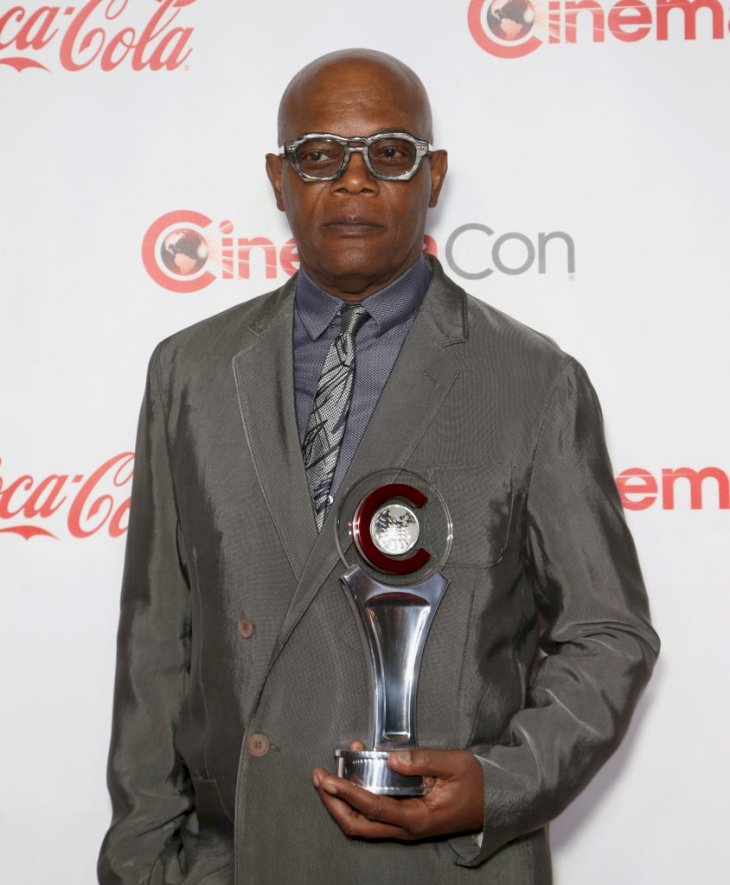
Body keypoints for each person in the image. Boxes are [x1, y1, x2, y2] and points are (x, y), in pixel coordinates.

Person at [99, 49, 659, 885]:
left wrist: (495, 787)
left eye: (388, 153)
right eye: (319, 154)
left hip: (447, 867)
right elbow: (155, 637)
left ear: (432, 176)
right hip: (241, 858)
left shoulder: (535, 380)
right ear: (278, 178)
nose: (353, 180)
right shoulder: (190, 370)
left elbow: (609, 634)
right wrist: (144, 862)